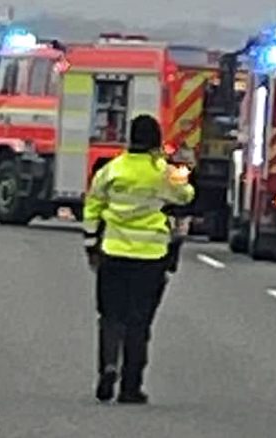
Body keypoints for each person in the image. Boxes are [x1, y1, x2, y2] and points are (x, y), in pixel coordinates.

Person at [83, 113, 195, 404]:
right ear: (156, 141)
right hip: (151, 257)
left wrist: (90, 243)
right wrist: (181, 170)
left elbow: (93, 205)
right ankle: (131, 386)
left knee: (110, 317)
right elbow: (185, 196)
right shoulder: (163, 171)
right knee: (138, 322)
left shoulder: (112, 169)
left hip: (113, 252)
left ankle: (108, 366)